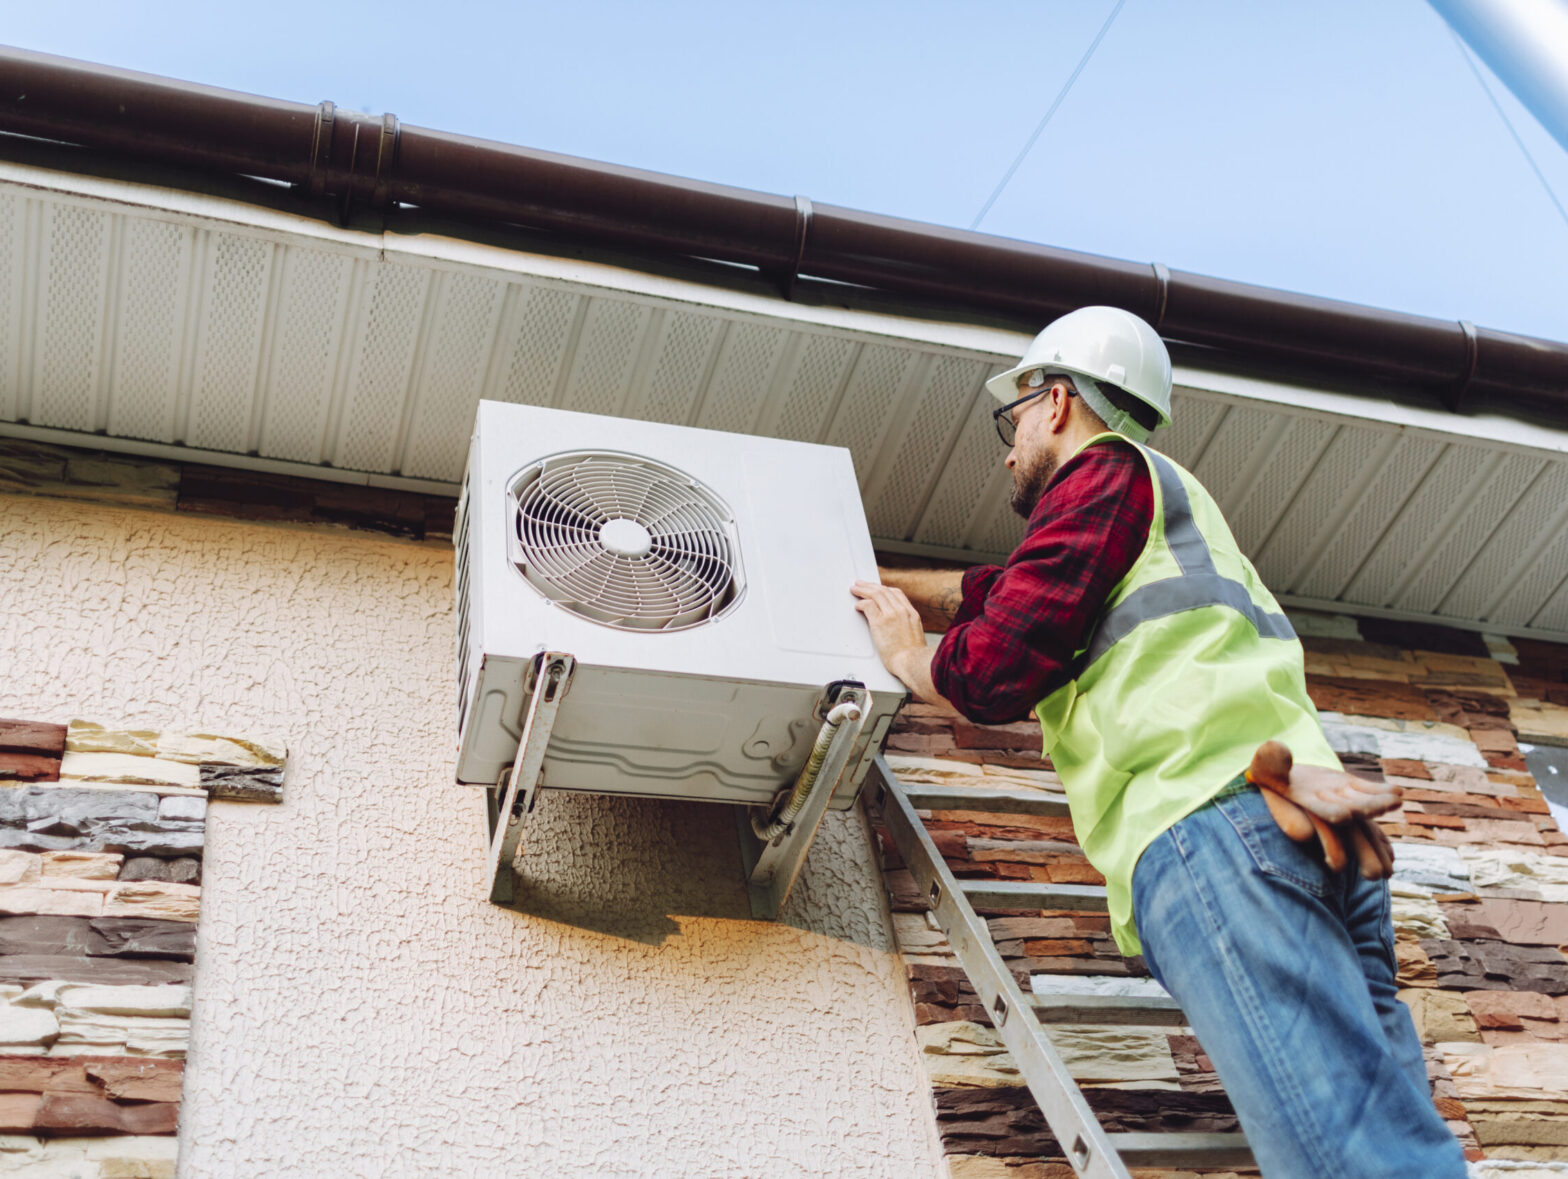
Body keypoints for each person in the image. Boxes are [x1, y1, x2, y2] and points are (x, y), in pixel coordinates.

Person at [850, 306, 1467, 1179]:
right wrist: (870, 576)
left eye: (1014, 416)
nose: (1007, 444)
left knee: (1343, 1162)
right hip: (1315, 822)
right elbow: (998, 590)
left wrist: (912, 658)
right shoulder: (1161, 502)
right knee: (1390, 1141)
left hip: (1213, 822)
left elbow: (992, 669)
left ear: (1057, 401)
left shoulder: (1100, 479)